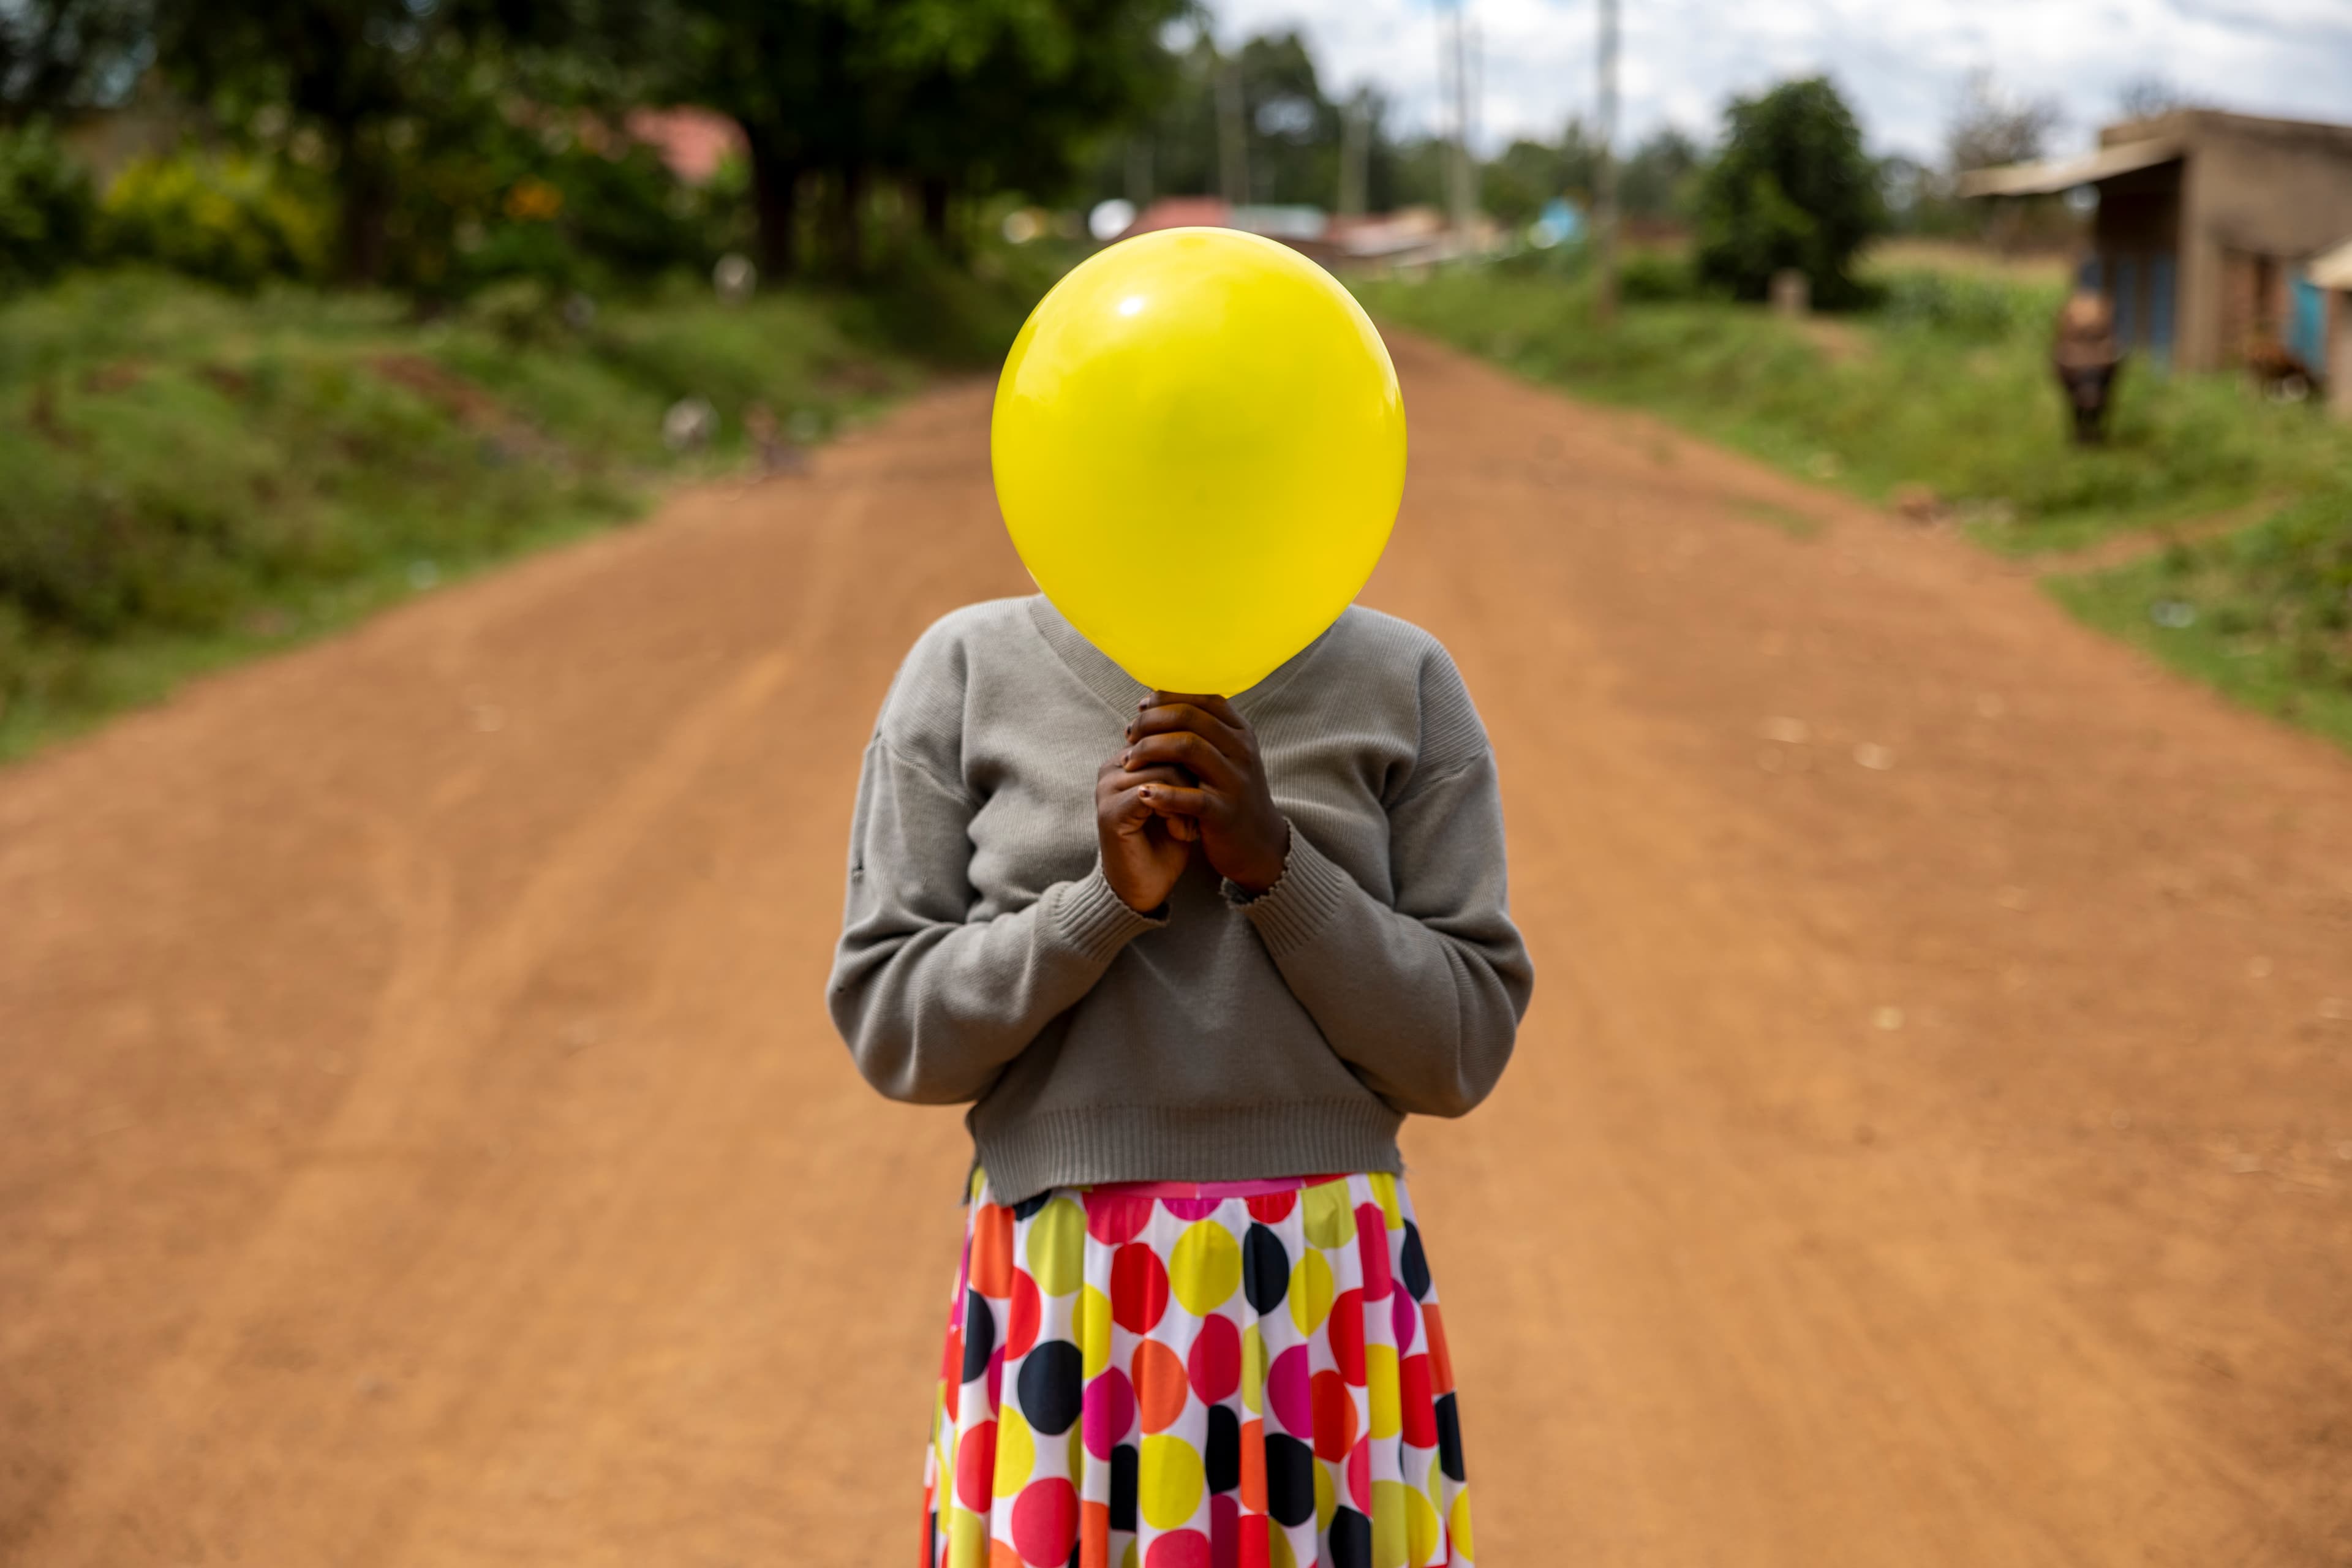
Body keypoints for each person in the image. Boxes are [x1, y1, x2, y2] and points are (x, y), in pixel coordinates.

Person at [829, 594, 1532, 1568]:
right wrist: (1099, 906)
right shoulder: (967, 668)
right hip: (1066, 1287)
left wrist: (1280, 869)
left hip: (1317, 1292)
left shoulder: (1400, 676)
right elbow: (896, 1032)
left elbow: (1459, 1050)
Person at [2052, 285, 2124, 445]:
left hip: (2093, 374)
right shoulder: (2070, 355)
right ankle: (2083, 434)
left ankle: (2092, 434)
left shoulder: (2106, 355)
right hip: (2081, 375)